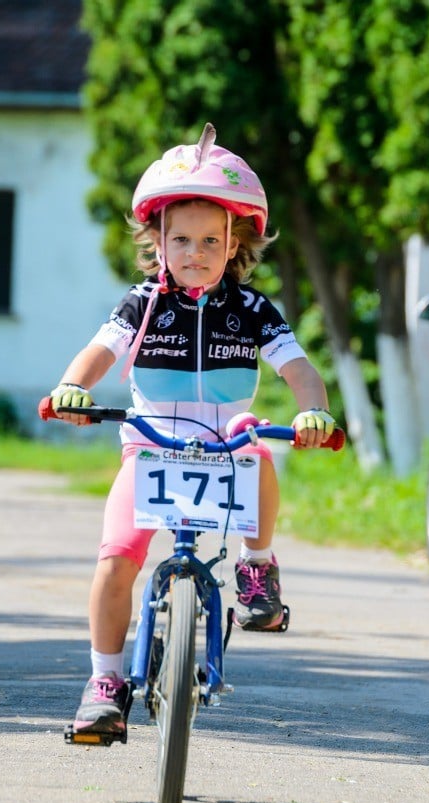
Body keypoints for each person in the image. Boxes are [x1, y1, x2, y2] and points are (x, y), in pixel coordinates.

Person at [50, 123, 336, 735]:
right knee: (115, 560)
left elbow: (301, 372)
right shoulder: (142, 302)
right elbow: (99, 352)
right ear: (157, 241)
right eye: (180, 239)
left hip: (228, 450)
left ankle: (256, 566)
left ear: (235, 243)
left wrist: (313, 409)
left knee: (258, 449)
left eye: (211, 240)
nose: (195, 252)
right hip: (152, 449)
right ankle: (104, 680)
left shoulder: (253, 310)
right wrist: (73, 387)